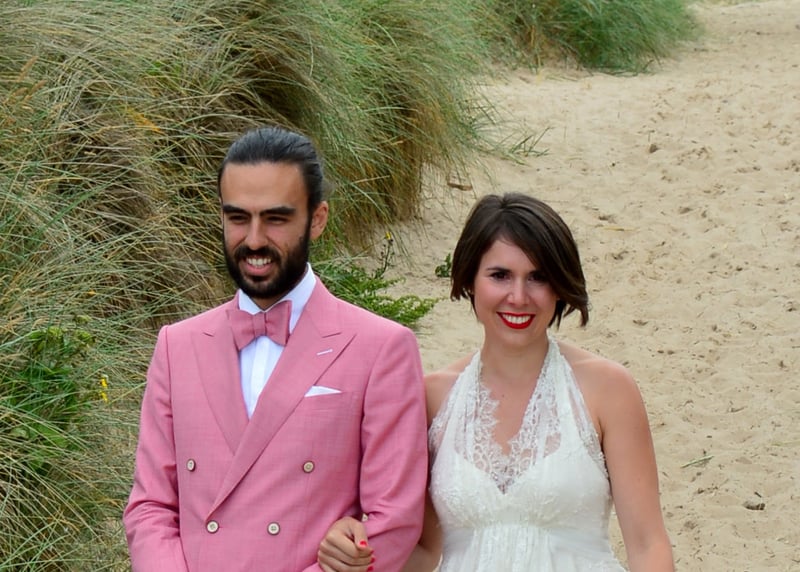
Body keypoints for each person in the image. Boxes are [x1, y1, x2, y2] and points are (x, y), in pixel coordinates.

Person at [123, 125, 428, 572]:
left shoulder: (382, 348)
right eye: (238, 217)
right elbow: (151, 506)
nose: (254, 240)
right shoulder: (177, 345)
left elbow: (394, 521)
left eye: (276, 219)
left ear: (317, 219)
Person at [317, 193, 674, 571]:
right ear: (471, 279)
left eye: (538, 277)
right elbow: (422, 549)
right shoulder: (432, 397)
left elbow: (647, 544)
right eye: (500, 275)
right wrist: (354, 547)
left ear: (559, 286)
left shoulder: (607, 388)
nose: (518, 297)